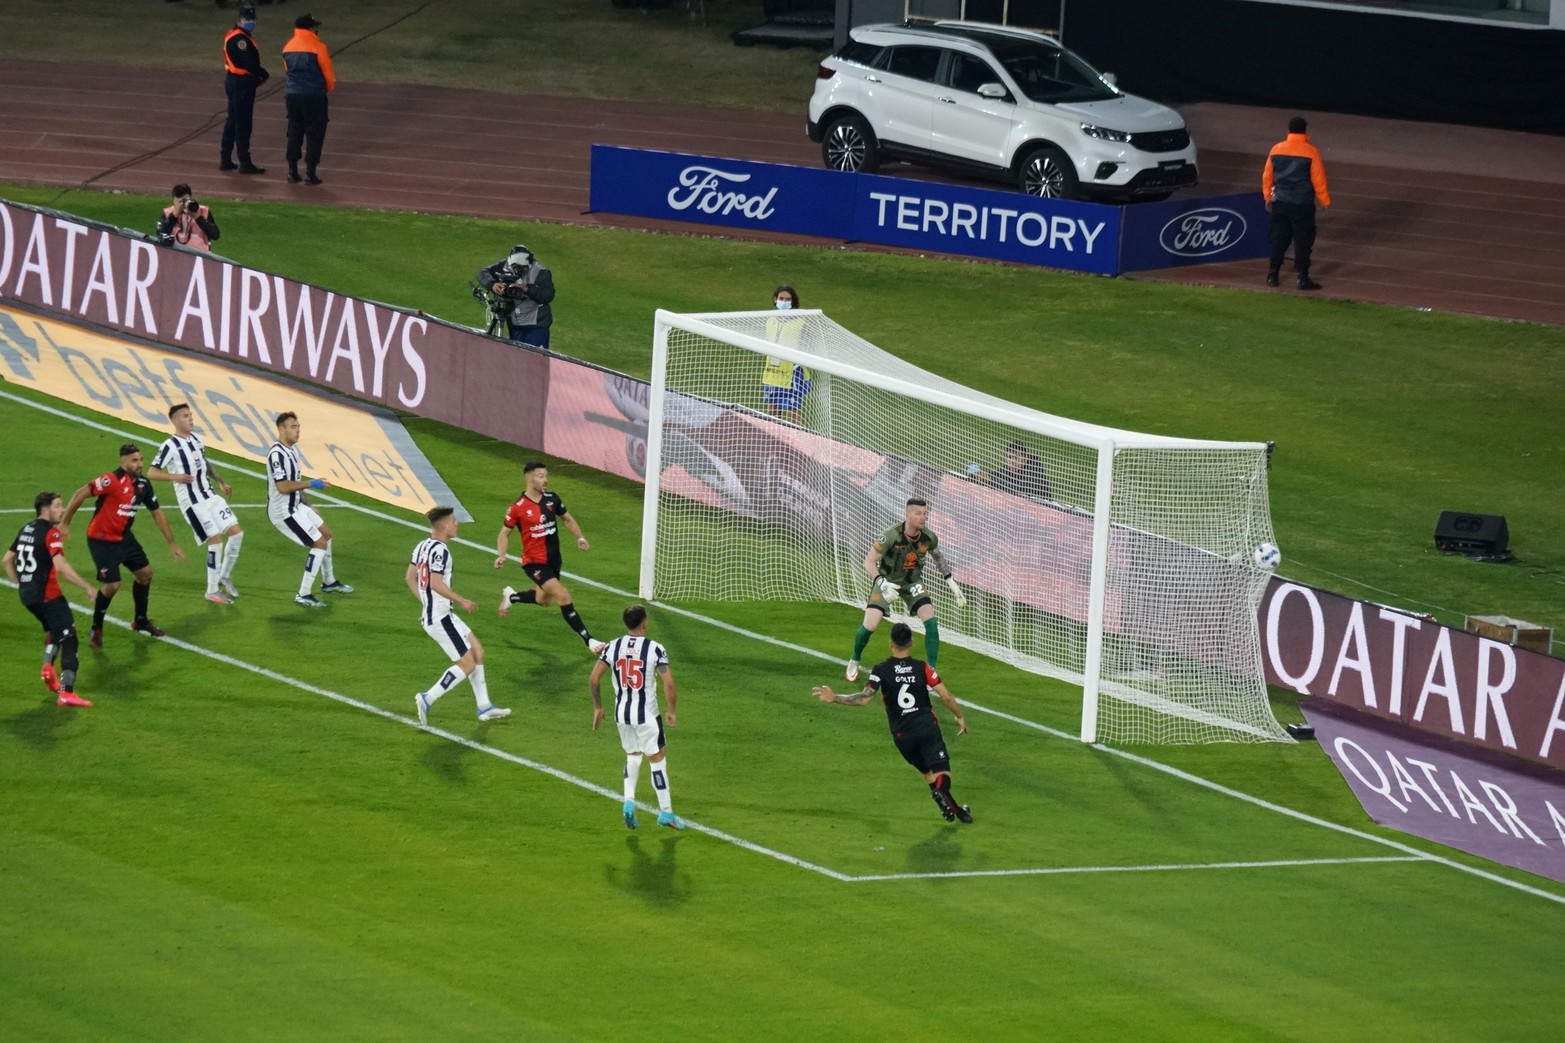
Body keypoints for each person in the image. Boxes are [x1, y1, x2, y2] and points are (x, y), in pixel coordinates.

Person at [814, 621, 972, 823]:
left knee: (927, 771)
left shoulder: (880, 670)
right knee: (943, 774)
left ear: (891, 643)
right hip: (926, 728)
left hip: (902, 736)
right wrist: (959, 716)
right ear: (912, 643)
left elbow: (864, 698)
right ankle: (942, 795)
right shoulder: (922, 668)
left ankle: (954, 810)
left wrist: (834, 697)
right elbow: (946, 697)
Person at [61, 442, 187, 649]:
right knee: (113, 585)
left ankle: (140, 621)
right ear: (123, 461)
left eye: (141, 459)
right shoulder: (110, 480)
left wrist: (171, 543)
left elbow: (157, 512)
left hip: (123, 538)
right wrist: (65, 523)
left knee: (145, 574)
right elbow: (79, 493)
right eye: (134, 460)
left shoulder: (144, 485)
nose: (139, 464)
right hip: (101, 539)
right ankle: (96, 627)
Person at [845, 497, 965, 682]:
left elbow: (938, 558)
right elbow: (868, 562)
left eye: (925, 513)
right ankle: (854, 659)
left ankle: (931, 671)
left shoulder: (929, 537)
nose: (923, 517)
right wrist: (882, 583)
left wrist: (951, 582)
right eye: (918, 513)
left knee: (931, 621)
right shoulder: (891, 535)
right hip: (887, 581)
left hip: (912, 583)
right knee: (870, 625)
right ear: (907, 514)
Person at [409, 506, 510, 726]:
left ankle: (484, 706)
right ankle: (428, 698)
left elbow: (410, 578)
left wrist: (426, 605)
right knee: (468, 664)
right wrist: (461, 600)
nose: (457, 524)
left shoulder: (421, 546)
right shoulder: (441, 551)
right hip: (441, 618)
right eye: (454, 521)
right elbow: (435, 583)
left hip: (441, 614)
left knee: (477, 651)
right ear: (444, 525)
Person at [590, 603, 684, 831]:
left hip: (622, 715)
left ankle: (629, 802)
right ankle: (666, 812)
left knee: (633, 756)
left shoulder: (613, 647)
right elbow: (668, 683)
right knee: (657, 760)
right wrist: (672, 710)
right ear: (645, 623)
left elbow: (593, 679)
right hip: (647, 716)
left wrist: (597, 707)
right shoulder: (655, 648)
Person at [495, 460, 605, 653]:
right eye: (541, 476)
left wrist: (579, 537)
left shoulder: (552, 499)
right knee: (563, 596)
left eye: (546, 476)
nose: (545, 480)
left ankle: (512, 597)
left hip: (554, 561)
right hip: (534, 563)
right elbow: (504, 533)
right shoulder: (517, 507)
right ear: (529, 478)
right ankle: (589, 640)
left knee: (543, 600)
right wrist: (501, 555)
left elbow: (567, 519)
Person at [5, 491, 101, 707]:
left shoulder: (26, 528)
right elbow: (61, 568)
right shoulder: (51, 533)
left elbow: (7, 560)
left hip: (28, 597)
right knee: (70, 637)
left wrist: (20, 584)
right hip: (49, 596)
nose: (63, 509)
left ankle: (48, 667)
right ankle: (67, 692)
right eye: (58, 505)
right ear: (46, 509)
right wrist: (87, 586)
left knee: (56, 631)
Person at [146, 402, 244, 604]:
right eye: (185, 416)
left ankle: (224, 576)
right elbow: (151, 472)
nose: (190, 419)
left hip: (210, 496)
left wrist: (220, 482)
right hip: (192, 503)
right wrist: (175, 476)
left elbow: (205, 463)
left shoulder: (197, 439)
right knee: (215, 541)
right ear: (174, 420)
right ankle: (211, 590)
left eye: (190, 415)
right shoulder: (169, 446)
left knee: (237, 533)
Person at [265, 411, 353, 606]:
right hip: (283, 512)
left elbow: (294, 483)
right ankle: (303, 594)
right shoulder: (276, 454)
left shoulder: (292, 451)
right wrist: (312, 483)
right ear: (281, 429)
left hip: (296, 506)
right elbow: (283, 487)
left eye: (298, 427)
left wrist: (309, 505)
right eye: (293, 427)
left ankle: (328, 582)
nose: (298, 431)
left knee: (327, 534)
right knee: (319, 544)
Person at [1263, 116, 1332, 291]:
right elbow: (1319, 180)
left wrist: (1268, 197)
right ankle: (1302, 278)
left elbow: (1267, 176)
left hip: (1281, 202)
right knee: (1303, 241)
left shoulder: (1276, 149)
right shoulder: (1311, 152)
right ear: (1305, 132)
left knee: (1278, 238)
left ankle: (1273, 274)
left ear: (1289, 131)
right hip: (1302, 205)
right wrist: (1324, 201)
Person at [282, 13, 333, 185]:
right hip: (314, 96)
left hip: (293, 96)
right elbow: (328, 74)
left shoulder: (288, 47)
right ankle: (311, 173)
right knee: (315, 134)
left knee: (294, 131)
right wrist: (326, 89)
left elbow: (287, 71)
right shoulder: (318, 47)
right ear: (309, 28)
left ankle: (292, 171)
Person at [219, 4, 269, 175]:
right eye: (248, 20)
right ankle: (244, 161)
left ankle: (226, 158)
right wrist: (260, 73)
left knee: (233, 120)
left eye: (252, 19)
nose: (251, 22)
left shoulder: (237, 36)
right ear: (240, 20)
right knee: (243, 123)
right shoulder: (239, 40)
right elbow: (250, 63)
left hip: (236, 82)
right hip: (241, 83)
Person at [476, 245, 555, 349]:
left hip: (536, 327)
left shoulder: (541, 272)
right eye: (516, 267)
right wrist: (493, 285)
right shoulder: (505, 265)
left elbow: (547, 295)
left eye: (523, 267)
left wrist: (527, 289)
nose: (519, 271)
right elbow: (482, 273)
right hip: (515, 325)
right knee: (516, 359)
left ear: (530, 263)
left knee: (535, 361)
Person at [761, 284, 813, 425]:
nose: (784, 302)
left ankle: (801, 441)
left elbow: (808, 347)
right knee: (772, 410)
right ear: (775, 299)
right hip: (773, 372)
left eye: (787, 299)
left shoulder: (801, 323)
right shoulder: (769, 320)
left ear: (793, 302)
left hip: (792, 373)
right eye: (781, 298)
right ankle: (773, 440)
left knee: (792, 412)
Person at [970, 439, 1052, 502]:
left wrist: (990, 480)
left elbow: (1018, 491)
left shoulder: (1034, 471)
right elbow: (993, 475)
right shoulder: (1009, 468)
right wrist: (974, 473)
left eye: (1015, 457)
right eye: (1009, 457)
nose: (1012, 461)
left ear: (1025, 457)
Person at [156, 184, 220, 252]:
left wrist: (197, 217)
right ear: (173, 200)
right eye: (180, 202)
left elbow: (215, 235)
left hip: (199, 257)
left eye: (185, 200)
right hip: (175, 256)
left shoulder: (202, 211)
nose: (183, 204)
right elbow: (161, 234)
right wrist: (174, 215)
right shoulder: (168, 212)